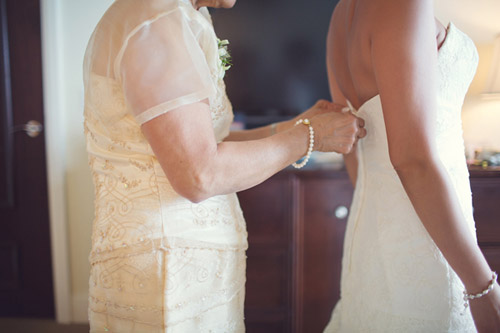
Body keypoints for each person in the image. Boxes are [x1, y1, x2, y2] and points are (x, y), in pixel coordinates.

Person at [82, 0, 365, 331]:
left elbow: (210, 143)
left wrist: (297, 125)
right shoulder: (156, 21)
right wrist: (310, 138)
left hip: (185, 258)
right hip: (167, 265)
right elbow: (198, 175)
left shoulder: (178, 16)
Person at [323, 0, 500, 332]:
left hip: (372, 240)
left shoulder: (341, 14)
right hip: (429, 243)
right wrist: (483, 290)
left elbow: (352, 149)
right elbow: (412, 160)